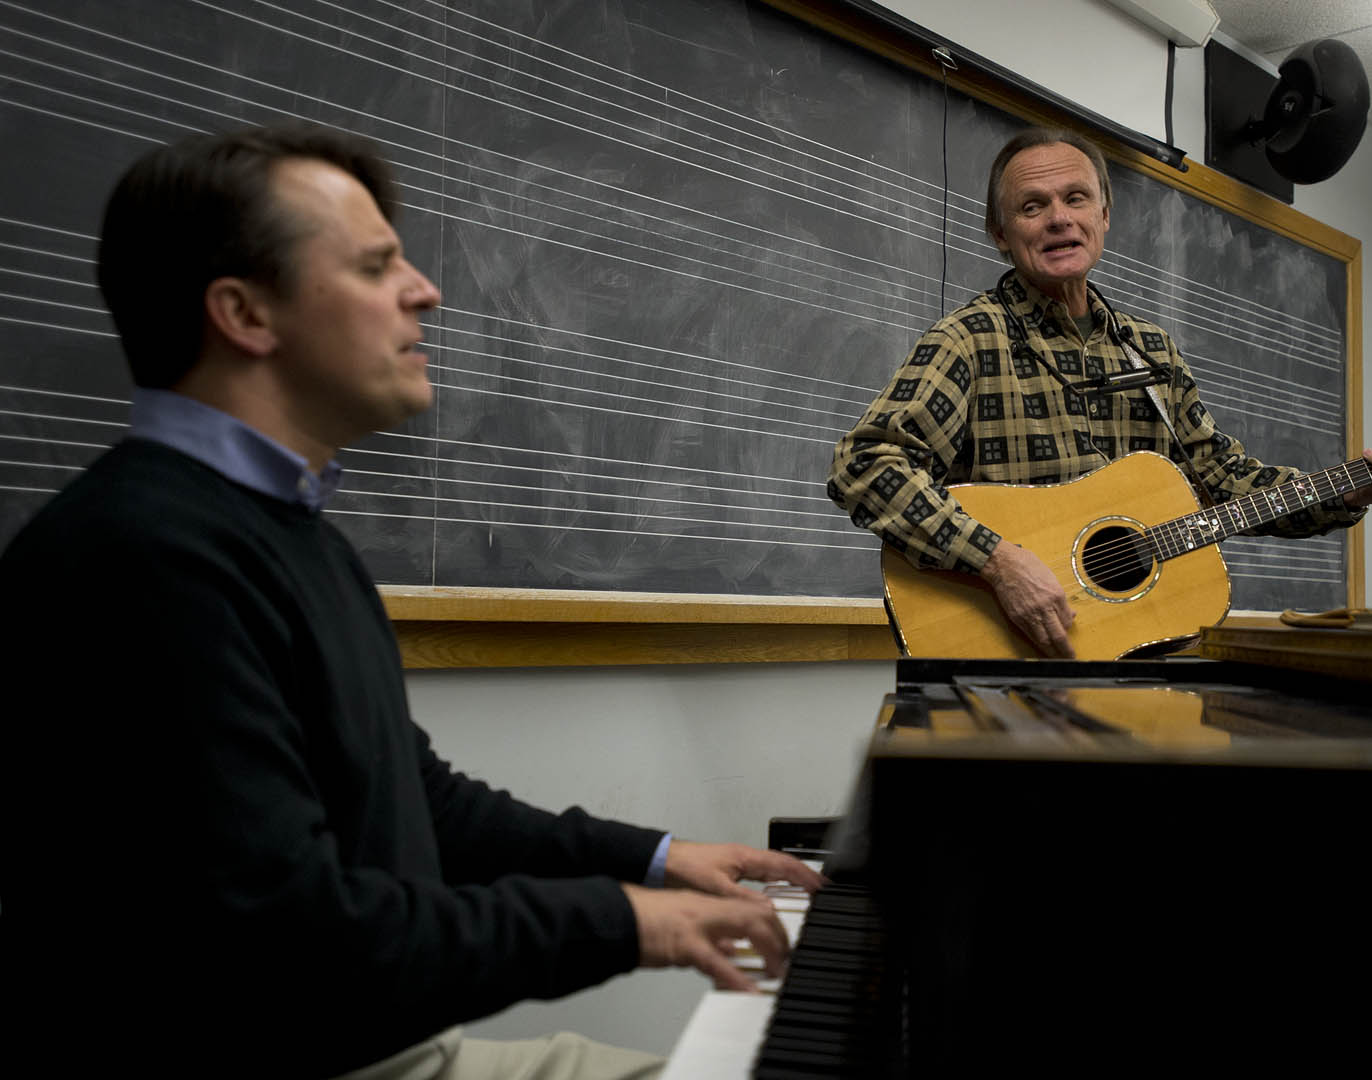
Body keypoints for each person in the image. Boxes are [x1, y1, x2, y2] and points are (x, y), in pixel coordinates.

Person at [0, 124, 822, 1080]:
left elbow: (414, 802)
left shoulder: (288, 534)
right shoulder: (142, 559)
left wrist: (654, 858)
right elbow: (296, 945)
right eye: (377, 263)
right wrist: (627, 923)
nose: (426, 290)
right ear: (245, 315)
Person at [828, 127, 1372, 657]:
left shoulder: (1149, 351)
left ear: (1104, 216)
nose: (1059, 218)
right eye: (1032, 206)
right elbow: (865, 466)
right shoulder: (970, 340)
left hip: (1142, 658)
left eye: (1076, 199)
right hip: (1004, 670)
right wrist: (999, 563)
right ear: (999, 232)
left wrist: (1352, 487)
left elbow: (1225, 482)